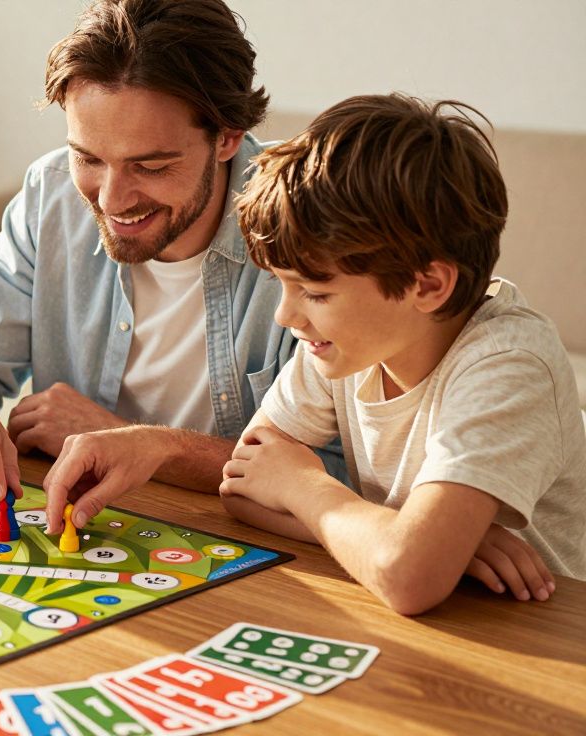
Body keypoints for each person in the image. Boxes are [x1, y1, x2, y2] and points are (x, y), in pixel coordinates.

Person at [0, 0, 340, 525]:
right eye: (87, 158)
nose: (110, 200)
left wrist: (143, 444)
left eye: (149, 166)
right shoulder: (53, 195)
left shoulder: (313, 225)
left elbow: (340, 474)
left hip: (255, 546)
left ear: (227, 137)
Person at [218, 93, 584, 614]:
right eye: (282, 285)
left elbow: (409, 579)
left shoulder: (509, 364)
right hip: (431, 621)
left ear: (428, 285)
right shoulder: (342, 346)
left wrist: (304, 487)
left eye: (316, 293)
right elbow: (241, 489)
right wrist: (409, 535)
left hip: (538, 636)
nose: (286, 316)